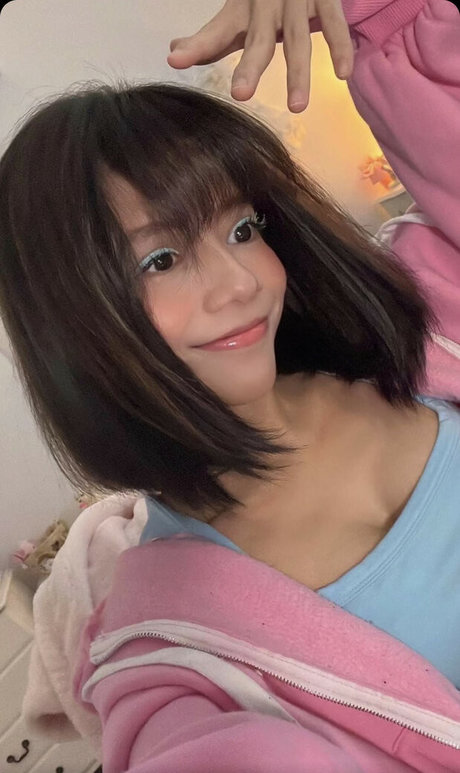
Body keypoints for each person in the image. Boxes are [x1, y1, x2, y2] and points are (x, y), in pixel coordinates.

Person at [2, 0, 460, 770]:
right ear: (74, 316)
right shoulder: (179, 656)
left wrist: (375, 11)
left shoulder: (417, 327)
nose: (241, 282)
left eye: (242, 229)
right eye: (161, 260)